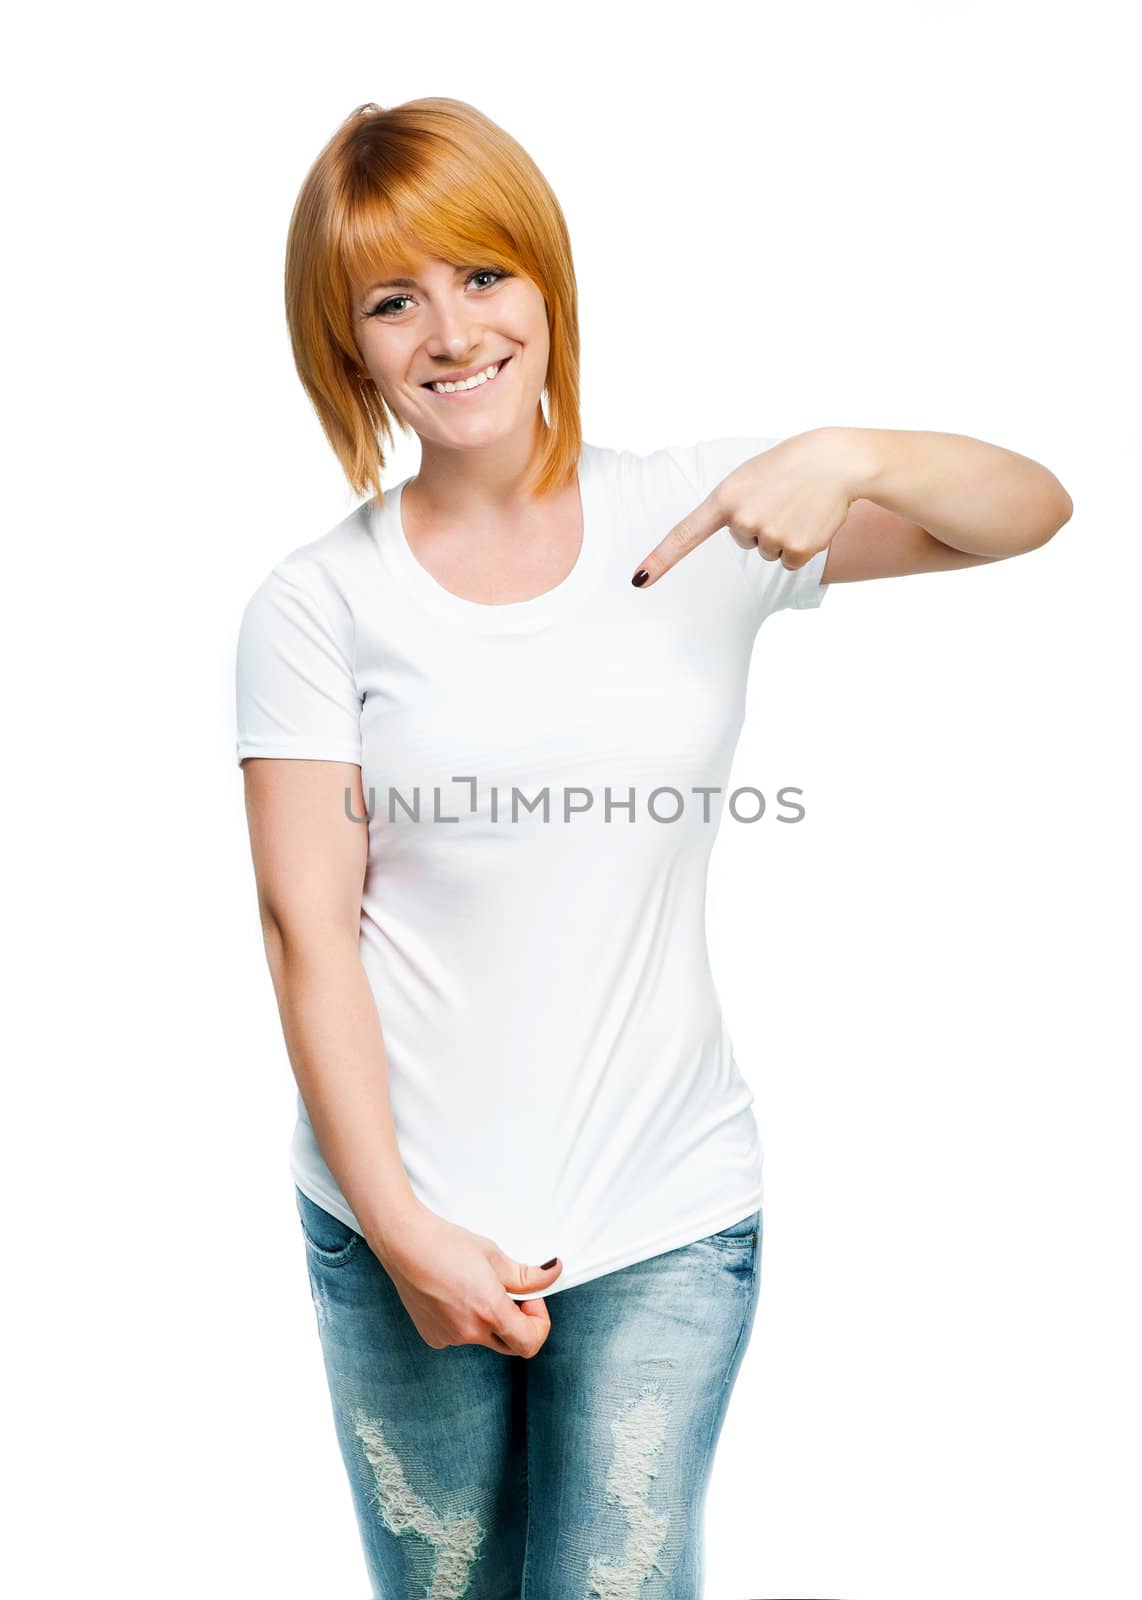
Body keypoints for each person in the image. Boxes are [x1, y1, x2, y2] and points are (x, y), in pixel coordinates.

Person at [234, 97, 1072, 1598]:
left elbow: (1023, 514)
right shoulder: (318, 603)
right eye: (390, 298)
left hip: (663, 1210)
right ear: (344, 342)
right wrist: (406, 1229)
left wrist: (848, 450)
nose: (449, 329)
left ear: (545, 283)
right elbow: (309, 932)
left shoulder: (696, 518)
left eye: (483, 275)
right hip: (395, 1216)